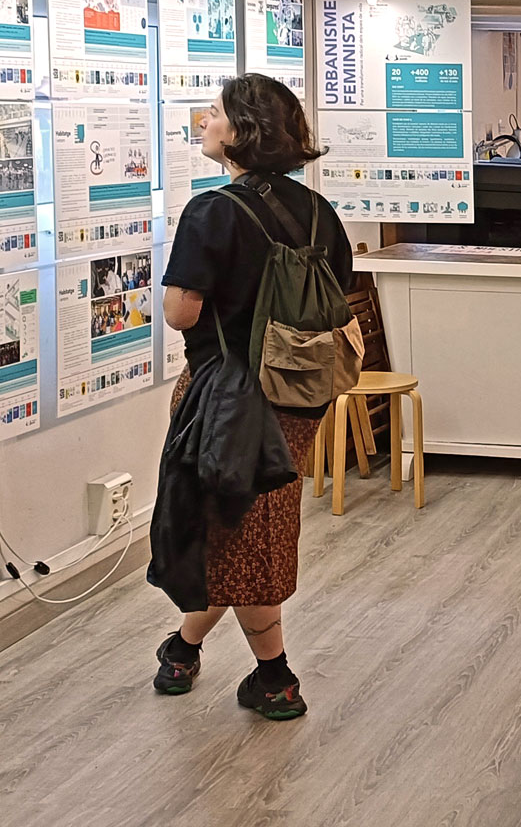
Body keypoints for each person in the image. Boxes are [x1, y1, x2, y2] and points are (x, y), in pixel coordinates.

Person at [147, 73, 353, 720]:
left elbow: (181, 313)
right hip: (301, 393)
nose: (203, 120)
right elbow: (338, 297)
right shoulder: (321, 213)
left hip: (227, 396)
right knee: (234, 530)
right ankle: (182, 649)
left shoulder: (212, 212)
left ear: (243, 132)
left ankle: (275, 677)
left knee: (240, 532)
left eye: (215, 113)